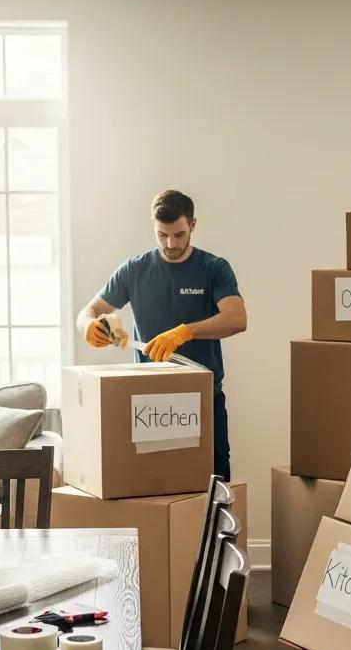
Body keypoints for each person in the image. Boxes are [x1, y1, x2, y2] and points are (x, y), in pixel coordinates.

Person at [76, 189, 247, 481]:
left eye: (179, 235)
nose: (171, 244)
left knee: (213, 484)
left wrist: (185, 332)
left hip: (204, 398)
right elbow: (89, 311)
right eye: (162, 235)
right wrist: (88, 327)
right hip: (148, 404)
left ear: (193, 225)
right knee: (152, 484)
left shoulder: (213, 268)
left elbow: (237, 318)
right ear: (153, 227)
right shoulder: (135, 269)